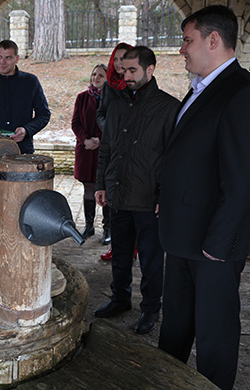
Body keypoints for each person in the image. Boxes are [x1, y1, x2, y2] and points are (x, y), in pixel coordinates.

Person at [157, 5, 250, 389]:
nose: (182, 49)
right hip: (183, 236)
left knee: (214, 335)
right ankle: (167, 380)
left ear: (213, 40)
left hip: (213, 243)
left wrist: (217, 245)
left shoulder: (244, 93)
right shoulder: (200, 88)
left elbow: (240, 180)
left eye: (187, 40)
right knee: (175, 325)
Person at [94, 46, 179, 334]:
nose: (125, 75)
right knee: (119, 253)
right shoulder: (116, 103)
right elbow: (106, 147)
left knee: (151, 258)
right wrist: (102, 184)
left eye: (132, 70)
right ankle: (120, 299)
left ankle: (150, 308)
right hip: (118, 193)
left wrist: (165, 195)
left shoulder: (169, 107)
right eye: (123, 70)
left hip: (148, 198)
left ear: (150, 70)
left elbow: (174, 157)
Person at [0, 39, 50, 246]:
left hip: (23, 152)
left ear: (16, 58)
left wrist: (27, 130)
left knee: (24, 200)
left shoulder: (30, 82)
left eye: (7, 58)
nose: (2, 62)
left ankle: (24, 242)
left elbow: (43, 114)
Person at [96, 42, 132, 256]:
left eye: (123, 58)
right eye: (115, 59)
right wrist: (109, 129)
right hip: (113, 145)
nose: (118, 63)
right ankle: (117, 245)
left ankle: (129, 246)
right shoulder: (110, 85)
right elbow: (101, 113)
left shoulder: (135, 83)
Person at [71, 64, 107, 239]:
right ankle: (89, 225)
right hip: (85, 149)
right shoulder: (82, 97)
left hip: (104, 150)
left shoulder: (113, 99)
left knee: (105, 187)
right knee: (88, 187)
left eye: (101, 75)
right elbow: (75, 123)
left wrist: (100, 140)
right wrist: (85, 139)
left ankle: (107, 228)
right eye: (94, 74)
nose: (96, 78)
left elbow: (115, 124)